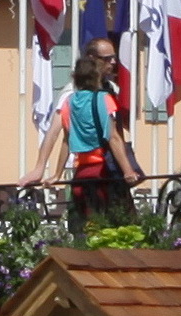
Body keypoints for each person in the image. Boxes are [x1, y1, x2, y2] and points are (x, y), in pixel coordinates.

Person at [39, 46, 135, 222]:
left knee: (86, 225)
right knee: (116, 222)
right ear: (96, 78)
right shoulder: (103, 98)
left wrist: (57, 175)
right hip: (102, 170)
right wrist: (128, 170)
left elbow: (66, 142)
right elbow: (113, 137)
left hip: (81, 172)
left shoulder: (69, 102)